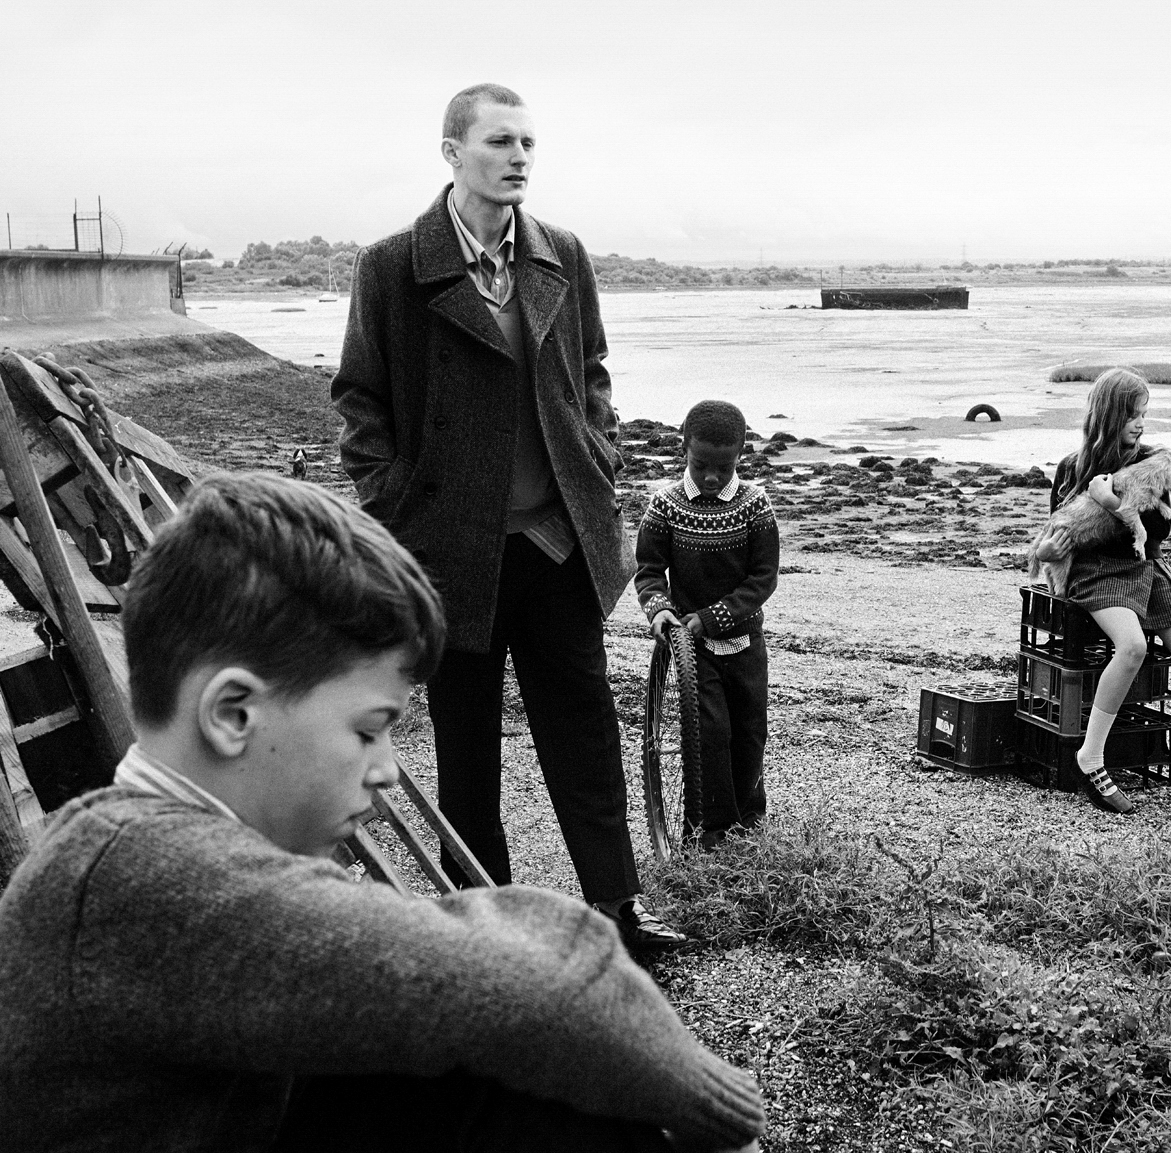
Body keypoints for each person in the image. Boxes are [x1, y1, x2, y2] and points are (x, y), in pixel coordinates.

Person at [0, 473, 764, 1153]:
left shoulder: (124, 845)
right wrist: (711, 1105)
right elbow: (546, 979)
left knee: (454, 1070)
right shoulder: (145, 883)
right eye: (369, 729)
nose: (388, 768)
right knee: (505, 1059)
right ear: (233, 713)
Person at [332, 83, 682, 955]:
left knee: (585, 734)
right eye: (499, 141)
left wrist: (596, 458)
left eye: (528, 142)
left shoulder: (560, 252)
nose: (519, 156)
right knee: (468, 750)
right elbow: (359, 401)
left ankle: (617, 908)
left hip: (557, 541)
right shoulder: (392, 266)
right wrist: (398, 512)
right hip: (454, 551)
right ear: (452, 152)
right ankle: (482, 924)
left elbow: (592, 368)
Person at [1045, 368, 1171, 816]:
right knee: (1133, 648)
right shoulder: (1071, 467)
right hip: (1096, 572)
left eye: (1145, 413)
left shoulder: (1151, 460)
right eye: (1133, 415)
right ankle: (1092, 757)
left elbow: (1158, 529)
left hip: (1145, 564)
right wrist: (1047, 550)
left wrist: (1113, 504)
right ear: (1109, 415)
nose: (1141, 423)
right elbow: (1057, 530)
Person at [634, 400, 780, 848]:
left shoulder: (755, 506)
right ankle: (711, 835)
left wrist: (715, 617)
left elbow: (763, 579)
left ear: (740, 456)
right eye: (701, 466)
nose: (711, 477)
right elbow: (649, 568)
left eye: (723, 466)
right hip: (692, 647)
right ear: (684, 451)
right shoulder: (666, 506)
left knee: (751, 731)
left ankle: (750, 826)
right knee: (710, 735)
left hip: (744, 640)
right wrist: (659, 609)